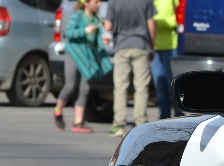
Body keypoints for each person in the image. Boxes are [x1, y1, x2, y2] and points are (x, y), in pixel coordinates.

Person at [103, 0, 156, 137]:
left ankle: (119, 124)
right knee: (141, 86)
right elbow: (151, 25)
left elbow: (108, 26)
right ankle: (140, 122)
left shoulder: (114, 2)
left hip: (121, 46)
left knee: (120, 86)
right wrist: (152, 46)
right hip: (141, 45)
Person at [52, 0, 107, 133]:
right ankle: (57, 111)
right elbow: (69, 33)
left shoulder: (95, 18)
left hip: (87, 58)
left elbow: (95, 40)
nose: (99, 4)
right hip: (74, 54)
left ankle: (78, 122)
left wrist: (103, 41)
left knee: (84, 89)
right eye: (96, 1)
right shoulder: (78, 15)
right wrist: (84, 30)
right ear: (86, 3)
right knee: (70, 86)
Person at [151, 0, 182, 120]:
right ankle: (164, 116)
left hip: (171, 45)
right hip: (155, 46)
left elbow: (176, 19)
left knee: (172, 83)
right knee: (159, 84)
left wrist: (154, 23)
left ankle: (179, 113)